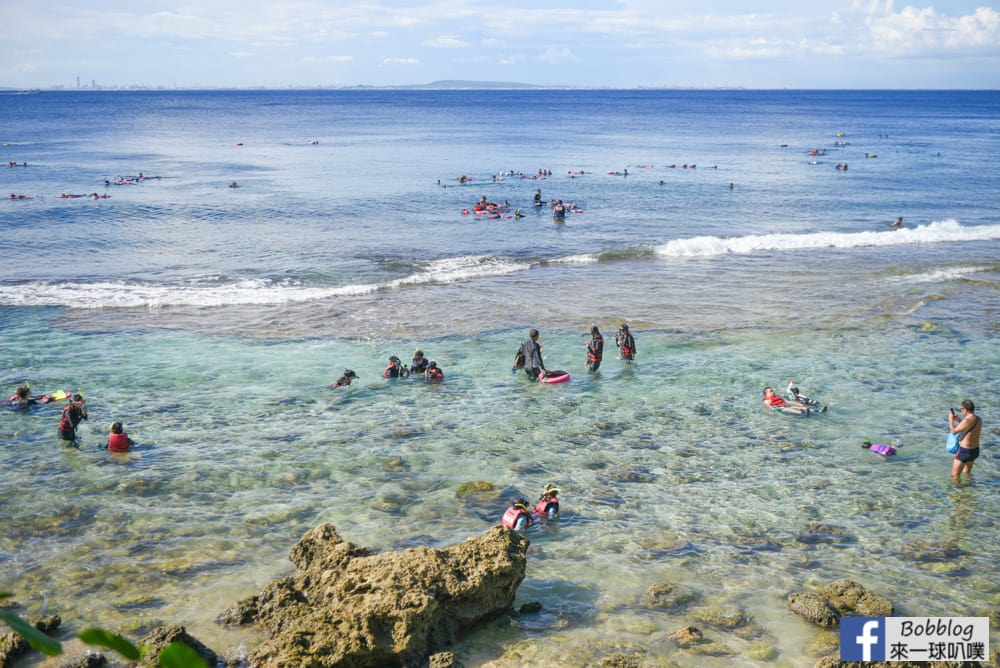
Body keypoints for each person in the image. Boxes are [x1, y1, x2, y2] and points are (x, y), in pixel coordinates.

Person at [949, 400, 982, 482]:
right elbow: (968, 427)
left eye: (961, 409)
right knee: (967, 474)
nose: (961, 410)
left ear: (965, 409)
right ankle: (969, 489)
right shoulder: (978, 419)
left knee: (955, 476)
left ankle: (958, 493)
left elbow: (954, 431)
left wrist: (950, 420)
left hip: (964, 452)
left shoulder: (967, 421)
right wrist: (958, 419)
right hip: (974, 451)